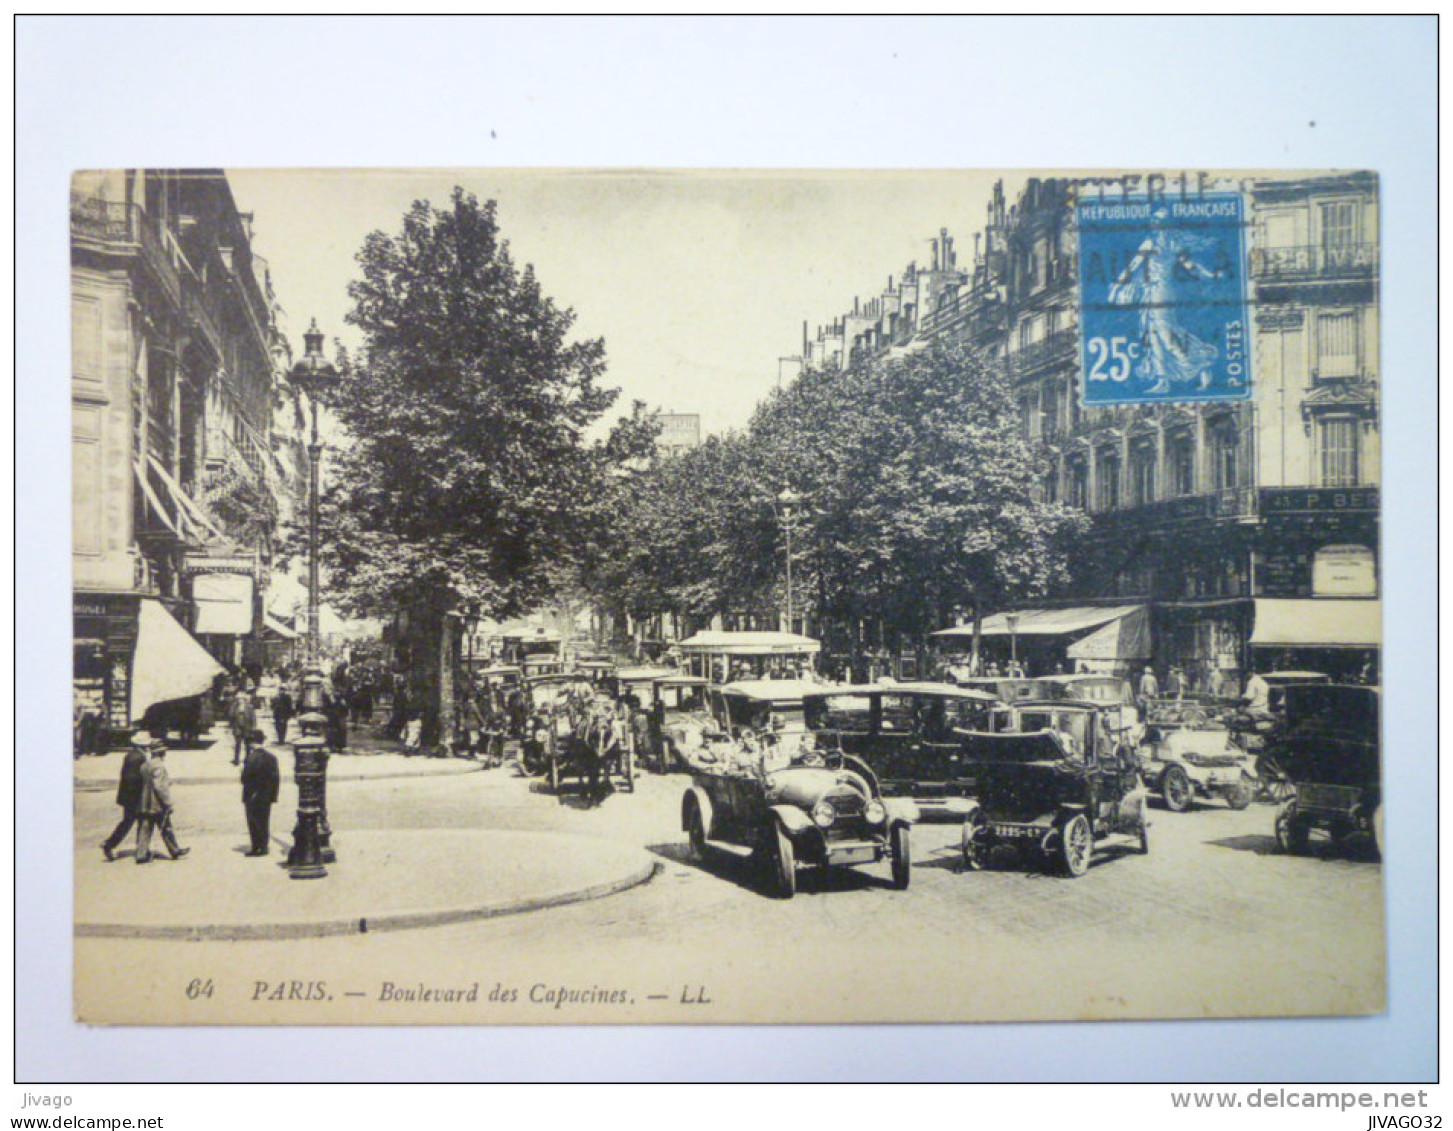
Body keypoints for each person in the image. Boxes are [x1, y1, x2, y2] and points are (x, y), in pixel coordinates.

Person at [135, 738, 188, 863]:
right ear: (160, 753)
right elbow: (160, 787)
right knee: (166, 826)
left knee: (145, 828)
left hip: (144, 803)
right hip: (156, 803)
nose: (165, 753)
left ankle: (141, 854)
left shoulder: (145, 765)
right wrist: (168, 803)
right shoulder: (159, 767)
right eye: (164, 751)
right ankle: (174, 850)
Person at [101, 731, 150, 860]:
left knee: (128, 821)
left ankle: (113, 844)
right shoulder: (138, 758)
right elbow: (133, 779)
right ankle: (112, 844)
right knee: (135, 821)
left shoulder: (130, 755)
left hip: (127, 795)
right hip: (134, 796)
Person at [240, 729, 280, 856]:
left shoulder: (251, 758)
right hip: (266, 795)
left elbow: (245, 778)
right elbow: (276, 778)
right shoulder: (271, 757)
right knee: (264, 821)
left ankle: (256, 847)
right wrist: (273, 796)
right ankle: (264, 846)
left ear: (251, 743)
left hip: (252, 796)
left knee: (253, 822)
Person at [228, 685, 257, 767]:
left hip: (247, 728)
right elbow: (231, 716)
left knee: (247, 745)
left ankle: (247, 759)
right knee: (237, 744)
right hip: (238, 728)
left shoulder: (249, 707)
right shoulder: (234, 706)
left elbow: (253, 718)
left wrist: (253, 728)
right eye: (238, 699)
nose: (240, 700)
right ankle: (236, 759)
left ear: (244, 700)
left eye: (241, 699)